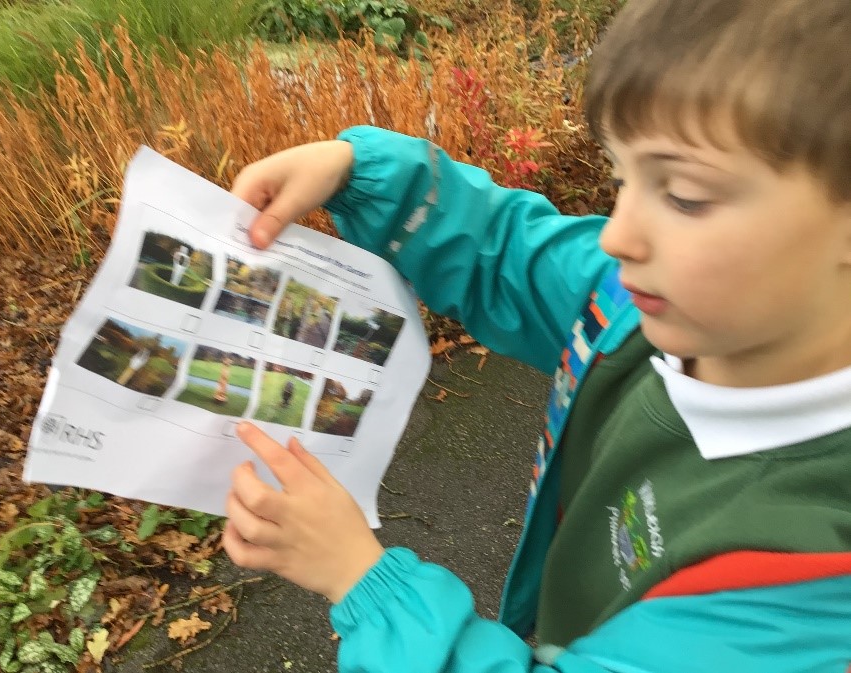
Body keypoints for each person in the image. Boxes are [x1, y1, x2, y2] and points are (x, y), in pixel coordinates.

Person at [220, 0, 851, 670]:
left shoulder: (807, 571)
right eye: (620, 177)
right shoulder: (642, 305)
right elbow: (508, 249)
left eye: (687, 196)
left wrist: (363, 581)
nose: (617, 235)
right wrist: (359, 173)